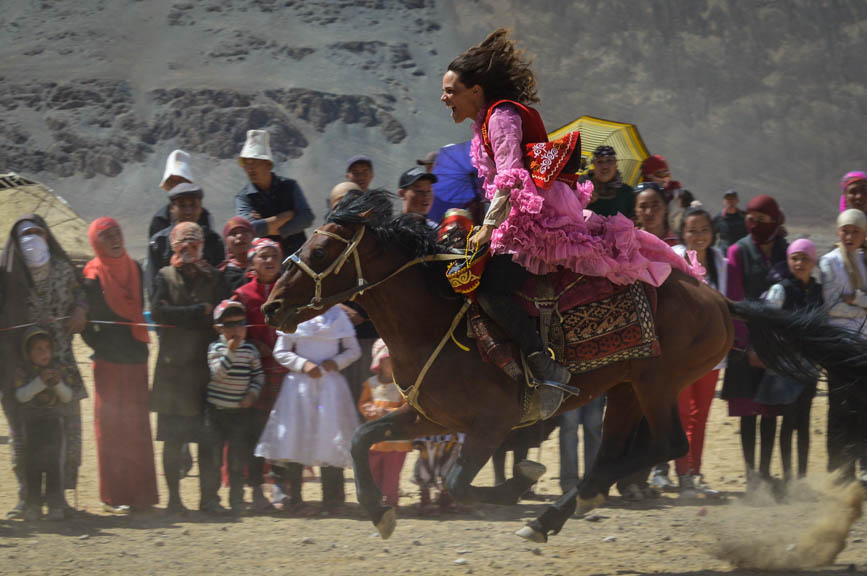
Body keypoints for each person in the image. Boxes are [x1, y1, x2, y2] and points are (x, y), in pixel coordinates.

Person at [443, 29, 699, 418]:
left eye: (450, 90)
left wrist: (487, 228)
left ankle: (543, 366)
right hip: (520, 211)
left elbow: (510, 178)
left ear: (475, 90)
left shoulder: (501, 117)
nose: (444, 98)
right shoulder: (486, 120)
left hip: (535, 213)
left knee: (493, 290)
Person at [0, 215, 88, 519]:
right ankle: (27, 498)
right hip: (19, 368)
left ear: (48, 236)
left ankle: (60, 498)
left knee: (66, 432)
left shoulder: (65, 271)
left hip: (60, 360)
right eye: (25, 235)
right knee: (22, 434)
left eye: (38, 232)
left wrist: (80, 308)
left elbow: (83, 293)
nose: (33, 239)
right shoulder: (7, 274)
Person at [81, 217, 158, 514]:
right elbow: (87, 327)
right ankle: (114, 496)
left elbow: (136, 309)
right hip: (109, 362)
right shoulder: (91, 276)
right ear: (97, 243)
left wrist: (135, 346)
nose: (115, 240)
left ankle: (142, 495)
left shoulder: (135, 268)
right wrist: (104, 347)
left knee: (137, 427)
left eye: (118, 233)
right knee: (111, 428)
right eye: (107, 236)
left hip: (136, 358)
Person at [150, 222, 229, 513]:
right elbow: (159, 312)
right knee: (173, 439)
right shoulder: (163, 276)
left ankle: (209, 498)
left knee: (208, 439)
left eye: (194, 243)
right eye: (182, 243)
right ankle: (174, 500)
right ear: (173, 246)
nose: (188, 248)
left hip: (206, 371)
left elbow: (221, 315)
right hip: (173, 373)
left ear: (202, 247)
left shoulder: (215, 278)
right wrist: (199, 312)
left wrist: (194, 315)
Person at [255, 306, 361, 512]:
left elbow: (353, 350)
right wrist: (302, 364)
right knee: (296, 436)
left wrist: (336, 362)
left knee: (330, 438)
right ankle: (293, 496)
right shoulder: (294, 315)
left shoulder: (337, 316)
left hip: (330, 386)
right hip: (300, 386)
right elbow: (281, 351)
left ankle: (333, 499)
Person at [722, 194, 789, 488]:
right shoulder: (739, 251)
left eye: (762, 220)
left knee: (771, 410)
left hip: (777, 343)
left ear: (775, 221)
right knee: (749, 410)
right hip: (746, 344)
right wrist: (748, 346)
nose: (754, 224)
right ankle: (751, 475)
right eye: (751, 218)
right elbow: (736, 301)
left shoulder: (786, 251)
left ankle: (764, 471)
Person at [671, 207, 728, 497]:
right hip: (681, 356)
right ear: (683, 233)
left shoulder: (720, 260)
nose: (699, 236)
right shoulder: (674, 259)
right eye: (693, 230)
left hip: (712, 355)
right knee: (682, 414)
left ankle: (696, 470)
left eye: (704, 229)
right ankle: (682, 474)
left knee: (701, 415)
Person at [234, 238, 289, 511]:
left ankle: (281, 487)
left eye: (274, 257)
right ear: (252, 262)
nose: (269, 261)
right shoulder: (242, 295)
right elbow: (233, 333)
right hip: (255, 376)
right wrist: (255, 345)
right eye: (263, 256)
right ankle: (255, 489)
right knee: (255, 434)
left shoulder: (290, 290)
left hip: (286, 374)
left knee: (282, 432)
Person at [765, 238, 823, 482]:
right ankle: (788, 478)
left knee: (804, 422)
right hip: (787, 366)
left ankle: (801, 478)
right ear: (789, 260)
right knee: (788, 422)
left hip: (809, 365)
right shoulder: (781, 289)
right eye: (795, 258)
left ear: (813, 262)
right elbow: (768, 323)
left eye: (805, 259)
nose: (799, 263)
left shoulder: (818, 291)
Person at [819, 209, 867, 482]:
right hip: (839, 345)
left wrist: (856, 299)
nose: (849, 236)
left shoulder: (864, 261)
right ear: (838, 232)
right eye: (845, 231)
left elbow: (849, 301)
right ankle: (839, 469)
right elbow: (832, 306)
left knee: (863, 406)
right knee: (839, 407)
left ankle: (861, 464)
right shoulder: (829, 263)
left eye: (855, 232)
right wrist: (862, 305)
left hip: (864, 344)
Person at [203, 300, 264, 514]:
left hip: (240, 413)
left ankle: (237, 501)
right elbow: (216, 375)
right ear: (218, 329)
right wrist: (230, 352)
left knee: (237, 460)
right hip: (216, 413)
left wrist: (252, 394)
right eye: (229, 325)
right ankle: (210, 500)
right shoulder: (216, 348)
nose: (236, 329)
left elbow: (258, 376)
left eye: (240, 323)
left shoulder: (250, 351)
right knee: (213, 459)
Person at [14, 327, 80, 520]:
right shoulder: (23, 371)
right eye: (38, 349)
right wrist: (40, 382)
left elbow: (67, 397)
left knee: (53, 466)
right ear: (28, 352)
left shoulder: (57, 370)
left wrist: (58, 383)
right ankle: (33, 505)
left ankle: (55, 505)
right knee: (32, 467)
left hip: (53, 425)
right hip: (31, 426)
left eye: (47, 349)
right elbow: (21, 396)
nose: (44, 353)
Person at [236, 129, 314, 256]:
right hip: (265, 263)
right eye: (246, 163)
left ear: (267, 164)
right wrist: (286, 216)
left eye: (255, 162)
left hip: (297, 258)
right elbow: (249, 229)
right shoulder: (243, 197)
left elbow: (306, 218)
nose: (250, 168)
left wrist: (268, 226)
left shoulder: (290, 186)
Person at [357, 339, 411, 508]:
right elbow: (362, 403)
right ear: (379, 362)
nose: (391, 364)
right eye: (387, 359)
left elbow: (407, 410)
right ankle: (374, 502)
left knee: (391, 475)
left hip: (396, 441)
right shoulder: (370, 384)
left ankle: (392, 503)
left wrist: (385, 413)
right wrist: (368, 409)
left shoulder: (402, 386)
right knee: (373, 471)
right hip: (375, 440)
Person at [147, 182, 225, 297]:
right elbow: (153, 287)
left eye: (193, 205)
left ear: (200, 209)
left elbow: (221, 283)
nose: (188, 211)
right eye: (182, 205)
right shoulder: (159, 242)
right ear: (172, 209)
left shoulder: (213, 240)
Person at [148, 150, 213, 238]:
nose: (177, 185)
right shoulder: (160, 219)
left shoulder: (203, 215)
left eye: (181, 180)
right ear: (168, 184)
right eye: (172, 181)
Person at [558, 397, 605, 494]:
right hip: (570, 383)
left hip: (596, 384)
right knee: (569, 429)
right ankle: (569, 483)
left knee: (594, 429)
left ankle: (591, 481)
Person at [586, 145, 635, 218]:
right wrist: (582, 202)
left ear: (616, 164)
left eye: (609, 161)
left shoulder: (627, 193)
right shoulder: (583, 189)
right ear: (594, 165)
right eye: (600, 162)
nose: (605, 166)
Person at [634, 182, 680, 246]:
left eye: (655, 206)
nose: (649, 212)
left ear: (665, 207)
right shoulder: (629, 240)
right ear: (635, 210)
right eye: (643, 207)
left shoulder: (679, 242)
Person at [219, 217, 255, 291]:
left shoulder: (264, 267)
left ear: (252, 237)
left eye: (244, 231)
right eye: (233, 233)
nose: (240, 236)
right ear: (226, 241)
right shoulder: (221, 274)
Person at [713, 190, 748, 254]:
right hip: (725, 255)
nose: (730, 201)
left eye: (733, 199)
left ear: (737, 201)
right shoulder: (718, 218)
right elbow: (711, 236)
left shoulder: (744, 216)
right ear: (724, 202)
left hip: (742, 253)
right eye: (728, 199)